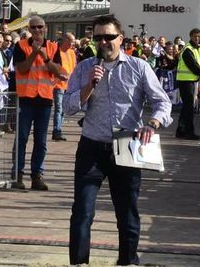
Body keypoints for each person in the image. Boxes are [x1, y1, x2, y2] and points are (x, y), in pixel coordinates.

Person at [63, 15, 172, 266]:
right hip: (92, 146)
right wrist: (89, 85)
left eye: (109, 37)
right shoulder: (85, 67)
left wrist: (153, 123)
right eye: (98, 37)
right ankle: (79, 262)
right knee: (82, 211)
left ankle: (128, 262)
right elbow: (68, 107)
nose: (103, 42)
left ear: (120, 39)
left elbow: (162, 102)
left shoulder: (139, 66)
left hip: (127, 145)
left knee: (127, 213)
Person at [10, 16, 61, 191]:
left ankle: (37, 176)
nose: (37, 30)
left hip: (45, 99)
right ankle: (17, 175)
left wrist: (46, 58)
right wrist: (34, 53)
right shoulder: (21, 45)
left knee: (41, 141)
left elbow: (59, 71)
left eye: (40, 27)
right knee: (22, 138)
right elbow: (22, 68)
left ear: (45, 27)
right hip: (26, 99)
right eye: (34, 27)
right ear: (29, 29)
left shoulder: (54, 47)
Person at [175, 28, 200, 140]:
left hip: (189, 80)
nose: (197, 38)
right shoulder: (188, 50)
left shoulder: (196, 49)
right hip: (185, 81)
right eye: (195, 36)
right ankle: (189, 132)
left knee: (186, 107)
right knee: (189, 108)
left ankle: (181, 130)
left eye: (198, 36)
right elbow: (195, 67)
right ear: (190, 37)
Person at [51, 32, 78, 141]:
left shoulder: (72, 52)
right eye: (72, 42)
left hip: (68, 85)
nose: (73, 45)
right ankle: (56, 131)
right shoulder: (57, 51)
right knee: (59, 109)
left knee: (62, 110)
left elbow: (74, 67)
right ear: (66, 40)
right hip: (58, 84)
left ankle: (58, 130)